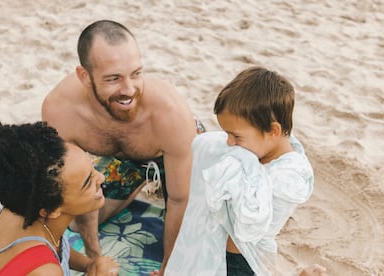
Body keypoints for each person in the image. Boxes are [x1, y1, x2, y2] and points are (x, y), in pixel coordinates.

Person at [41, 20, 204, 274]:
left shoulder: (170, 114)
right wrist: (95, 259)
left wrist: (167, 269)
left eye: (136, 73)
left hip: (178, 153)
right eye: (114, 78)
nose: (129, 90)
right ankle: (141, 181)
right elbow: (75, 184)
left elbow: (180, 200)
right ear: (84, 76)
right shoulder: (60, 112)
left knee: (203, 234)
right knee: (75, 220)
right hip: (125, 160)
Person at [165, 67, 319, 275]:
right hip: (219, 248)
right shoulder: (257, 150)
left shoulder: (291, 175)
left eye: (236, 136)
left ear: (272, 131)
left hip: (243, 261)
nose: (229, 143)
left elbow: (248, 217)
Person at [0, 120, 118, 275]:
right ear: (51, 211)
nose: (101, 177)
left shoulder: (24, 207)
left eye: (93, 168)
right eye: (88, 182)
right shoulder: (45, 272)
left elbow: (54, 245)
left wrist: (88, 265)